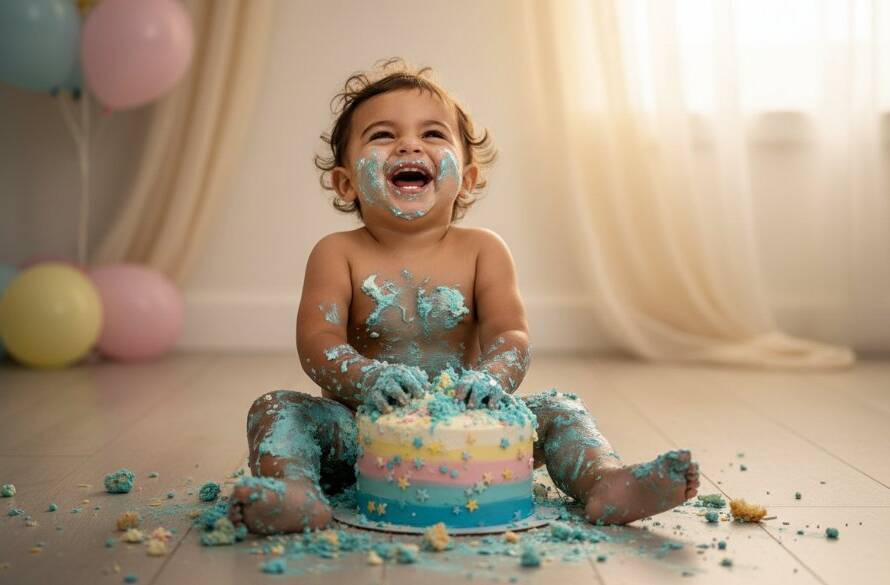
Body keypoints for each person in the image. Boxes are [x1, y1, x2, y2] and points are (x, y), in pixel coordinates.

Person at [228, 58, 699, 534]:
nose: (409, 143)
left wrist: (493, 379)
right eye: (383, 135)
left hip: (475, 431)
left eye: (432, 134)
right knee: (276, 408)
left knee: (560, 409)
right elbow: (317, 339)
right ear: (347, 182)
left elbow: (509, 333)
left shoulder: (483, 250)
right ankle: (296, 491)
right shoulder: (337, 253)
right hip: (363, 433)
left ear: (468, 178)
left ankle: (605, 482)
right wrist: (366, 378)